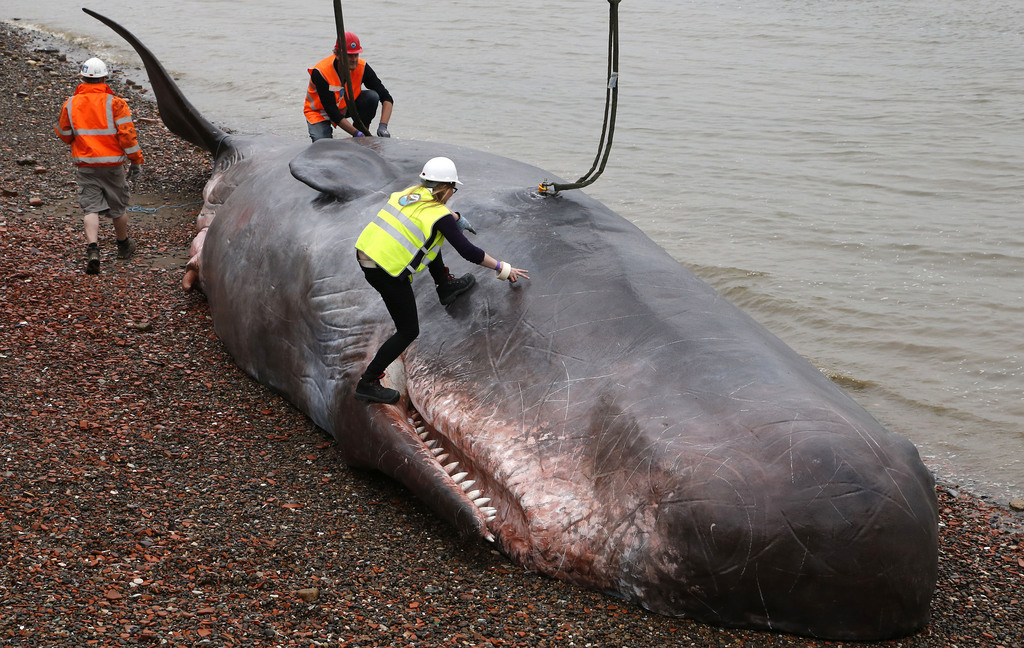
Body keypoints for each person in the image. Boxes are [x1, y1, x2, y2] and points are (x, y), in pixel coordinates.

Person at [353, 157, 529, 404]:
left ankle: (445, 286)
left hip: (366, 254)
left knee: (431, 241)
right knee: (408, 331)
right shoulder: (438, 214)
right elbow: (468, 252)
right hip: (385, 271)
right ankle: (368, 382)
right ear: (446, 188)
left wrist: (455, 217)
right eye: (453, 190)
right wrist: (502, 267)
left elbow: (432, 216)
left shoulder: (408, 194)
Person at [55, 57, 143, 275]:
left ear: (82, 78)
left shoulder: (71, 103)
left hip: (86, 164)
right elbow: (127, 137)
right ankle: (123, 245)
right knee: (118, 206)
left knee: (90, 207)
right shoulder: (116, 103)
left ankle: (93, 249)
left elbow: (65, 135)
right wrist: (135, 160)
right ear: (105, 78)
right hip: (112, 165)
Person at [304, 31, 394, 142]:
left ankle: (361, 133)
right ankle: (358, 135)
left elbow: (386, 98)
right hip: (320, 113)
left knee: (372, 97)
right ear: (337, 55)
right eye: (349, 55)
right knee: (322, 144)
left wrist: (383, 126)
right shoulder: (321, 72)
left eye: (356, 54)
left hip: (345, 107)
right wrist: (356, 134)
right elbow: (332, 112)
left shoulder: (362, 67)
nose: (354, 59)